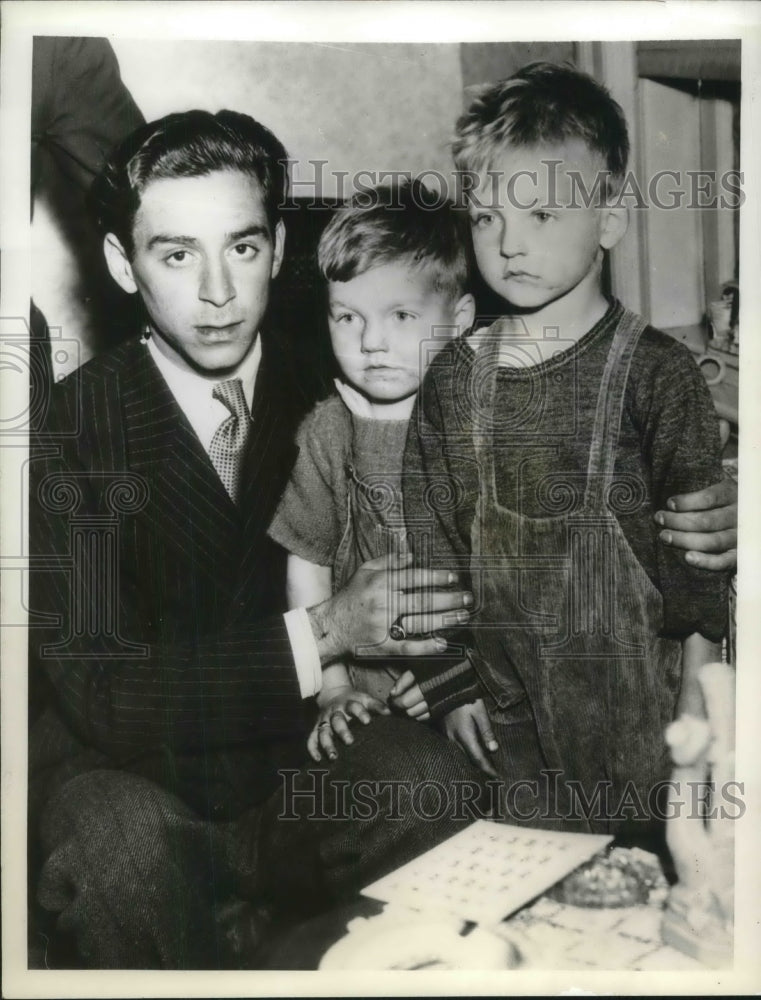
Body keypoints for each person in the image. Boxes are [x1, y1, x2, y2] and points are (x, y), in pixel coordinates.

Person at [27, 110, 489, 969]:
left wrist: (677, 507)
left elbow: (495, 452)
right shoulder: (66, 426)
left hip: (296, 767)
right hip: (132, 779)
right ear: (123, 267)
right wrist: (329, 633)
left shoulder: (343, 366)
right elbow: (105, 695)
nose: (217, 293)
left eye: (241, 248)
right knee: (117, 850)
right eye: (176, 254)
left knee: (429, 784)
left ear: (278, 249)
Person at [404, 63, 731, 832]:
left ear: (609, 220)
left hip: (641, 719)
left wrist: (700, 684)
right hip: (509, 726)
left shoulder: (659, 373)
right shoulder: (453, 381)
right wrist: (450, 683)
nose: (508, 244)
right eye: (486, 218)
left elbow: (696, 559)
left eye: (541, 214)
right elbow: (432, 550)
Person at [268, 180, 495, 765]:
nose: (372, 342)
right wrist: (335, 688)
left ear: (461, 317)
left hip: (478, 680)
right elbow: (309, 567)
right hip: (370, 695)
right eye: (347, 317)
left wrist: (459, 675)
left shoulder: (486, 422)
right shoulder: (324, 431)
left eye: (400, 314)